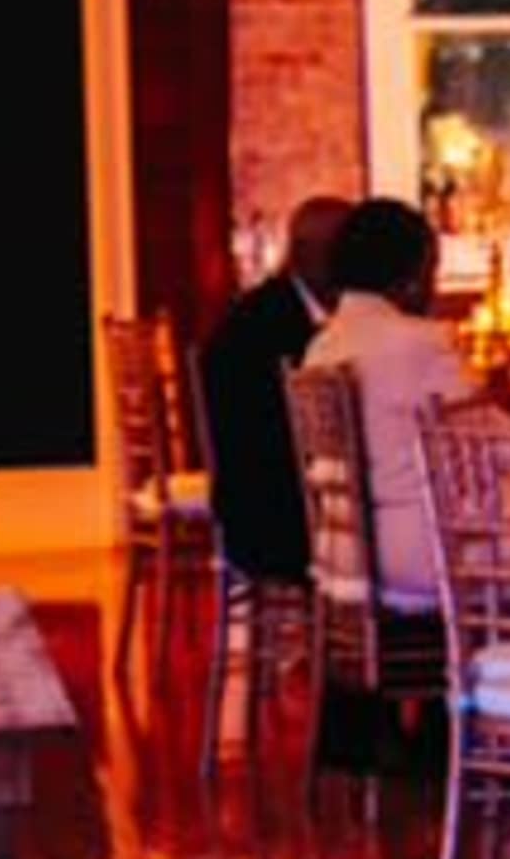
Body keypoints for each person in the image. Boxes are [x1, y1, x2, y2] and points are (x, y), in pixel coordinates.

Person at [299, 198, 474, 615]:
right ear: (411, 278)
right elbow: (488, 444)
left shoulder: (321, 345)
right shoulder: (419, 341)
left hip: (342, 551)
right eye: (432, 271)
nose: (434, 287)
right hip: (420, 554)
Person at [199, 194, 353, 582]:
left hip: (257, 507)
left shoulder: (279, 308)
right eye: (349, 251)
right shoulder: (274, 329)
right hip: (276, 523)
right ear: (310, 254)